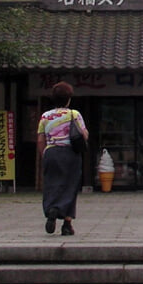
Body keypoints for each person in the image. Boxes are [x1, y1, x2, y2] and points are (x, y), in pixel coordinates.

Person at [37, 81, 87, 235]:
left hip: (51, 152)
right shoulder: (74, 114)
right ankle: (67, 224)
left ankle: (52, 209)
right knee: (70, 186)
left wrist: (44, 154)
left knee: (52, 184)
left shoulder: (45, 116)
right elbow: (84, 134)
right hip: (70, 153)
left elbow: (40, 139)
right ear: (69, 99)